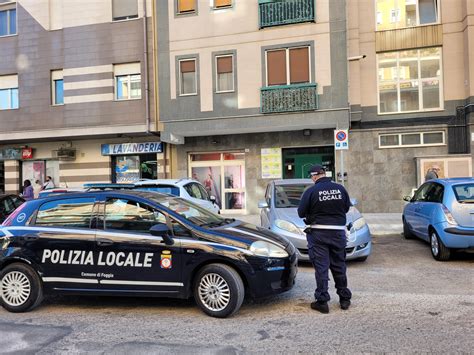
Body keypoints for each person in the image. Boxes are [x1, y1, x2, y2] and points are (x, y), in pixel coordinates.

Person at [297, 164, 352, 314]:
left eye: (311, 176)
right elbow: (346, 208)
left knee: (321, 268)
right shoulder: (340, 189)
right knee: (339, 266)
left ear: (314, 176)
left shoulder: (311, 191)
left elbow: (301, 213)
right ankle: (344, 299)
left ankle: (322, 301)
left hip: (318, 234)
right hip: (338, 233)